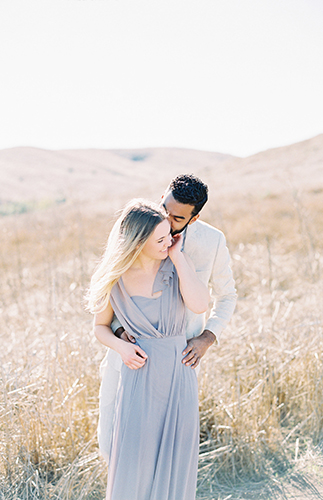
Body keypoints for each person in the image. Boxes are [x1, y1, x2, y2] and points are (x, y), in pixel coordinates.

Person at [97, 174, 237, 463]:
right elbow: (113, 293)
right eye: (165, 208)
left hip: (179, 361)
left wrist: (207, 338)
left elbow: (227, 297)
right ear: (163, 195)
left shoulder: (212, 242)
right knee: (116, 442)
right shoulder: (140, 227)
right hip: (131, 359)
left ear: (194, 218)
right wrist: (120, 330)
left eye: (178, 218)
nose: (167, 220)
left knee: (169, 449)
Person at [88, 199, 210, 500]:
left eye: (169, 234)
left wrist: (179, 258)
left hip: (179, 377)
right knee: (134, 467)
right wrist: (122, 348)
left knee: (176, 465)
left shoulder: (176, 266)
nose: (168, 241)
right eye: (160, 239)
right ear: (138, 242)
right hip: (138, 380)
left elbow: (200, 305)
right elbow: (99, 328)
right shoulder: (114, 279)